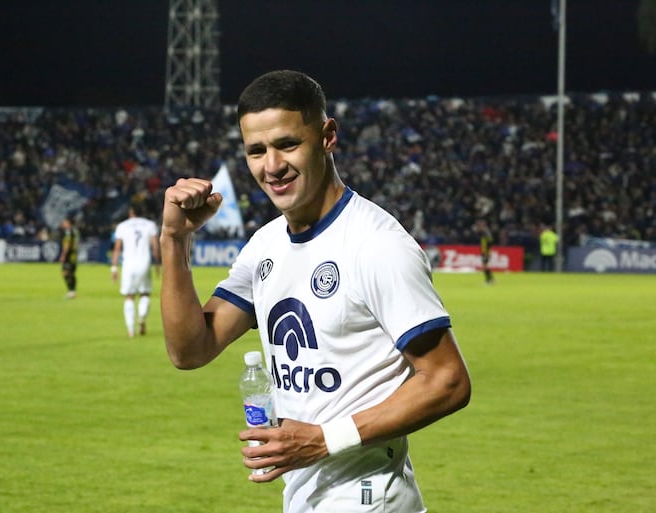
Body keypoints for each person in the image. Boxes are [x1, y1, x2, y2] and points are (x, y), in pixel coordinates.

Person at [159, 70, 471, 513]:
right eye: (256, 151)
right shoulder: (266, 245)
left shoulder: (376, 244)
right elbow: (190, 350)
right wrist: (174, 241)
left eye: (288, 144)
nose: (272, 166)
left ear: (327, 136)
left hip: (367, 496)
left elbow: (448, 380)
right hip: (308, 492)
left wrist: (325, 439)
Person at [111, 203, 160, 337]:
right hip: (144, 263)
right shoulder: (150, 225)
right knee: (145, 293)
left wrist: (114, 268)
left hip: (128, 265)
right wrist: (157, 264)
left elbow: (117, 248)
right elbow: (156, 247)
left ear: (131, 212)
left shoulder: (122, 226)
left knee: (129, 296)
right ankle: (142, 318)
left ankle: (131, 330)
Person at [59, 216, 79, 299]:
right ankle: (73, 292)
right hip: (74, 255)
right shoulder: (75, 231)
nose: (63, 224)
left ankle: (71, 291)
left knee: (65, 273)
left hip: (69, 255)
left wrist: (63, 255)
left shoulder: (69, 231)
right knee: (71, 273)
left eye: (64, 222)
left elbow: (67, 244)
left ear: (68, 223)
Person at [476, 218, 495, 284]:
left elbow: (490, 242)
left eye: (480, 225)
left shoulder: (486, 232)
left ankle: (490, 280)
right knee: (485, 266)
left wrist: (487, 252)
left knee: (485, 266)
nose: (479, 227)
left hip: (486, 252)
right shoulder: (484, 232)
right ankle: (490, 279)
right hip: (484, 251)